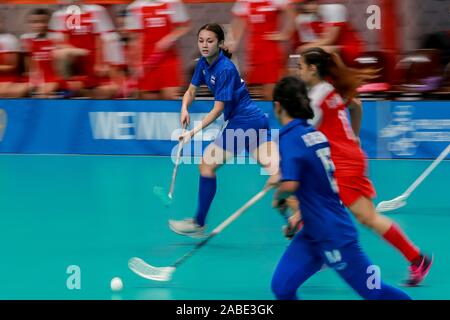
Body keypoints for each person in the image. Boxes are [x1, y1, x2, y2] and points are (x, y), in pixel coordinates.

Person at [294, 47, 432, 286]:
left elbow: (302, 135)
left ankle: (417, 258)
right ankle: (322, 252)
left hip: (343, 164)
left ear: (312, 69)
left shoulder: (316, 99)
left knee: (367, 217)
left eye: (300, 67)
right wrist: (353, 138)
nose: (297, 71)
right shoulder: (329, 89)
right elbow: (356, 106)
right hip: (342, 159)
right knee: (318, 204)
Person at [271, 76, 411, 300]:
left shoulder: (289, 137)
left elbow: (291, 184)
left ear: (278, 106)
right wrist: (299, 214)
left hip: (334, 235)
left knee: (374, 292)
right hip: (312, 232)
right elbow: (319, 185)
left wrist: (279, 195)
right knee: (282, 287)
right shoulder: (314, 134)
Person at [168, 23, 279, 238]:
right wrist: (184, 108)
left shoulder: (225, 68)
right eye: (201, 41)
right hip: (256, 120)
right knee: (278, 172)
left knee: (207, 165)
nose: (205, 45)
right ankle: (301, 226)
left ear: (220, 43)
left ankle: (198, 224)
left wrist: (192, 132)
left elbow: (218, 109)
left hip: (243, 122)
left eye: (210, 41)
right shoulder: (202, 64)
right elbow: (190, 92)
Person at [228, 0, 296, 100]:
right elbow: (238, 22)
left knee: (271, 91)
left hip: (270, 49)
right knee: (249, 90)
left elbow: (292, 14)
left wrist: (285, 34)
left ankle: (277, 114)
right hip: (253, 50)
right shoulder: (244, 2)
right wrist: (233, 42)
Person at [125, 0, 191, 100]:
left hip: (168, 59)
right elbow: (134, 38)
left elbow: (184, 26)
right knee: (148, 99)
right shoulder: (135, 7)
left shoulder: (173, 3)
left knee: (170, 97)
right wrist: (135, 64)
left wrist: (170, 38)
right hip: (146, 62)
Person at [21, 8, 65, 98]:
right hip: (35, 78)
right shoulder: (26, 39)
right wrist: (32, 79)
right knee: (18, 92)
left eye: (43, 21)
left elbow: (61, 66)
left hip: (53, 78)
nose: (39, 25)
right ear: (30, 23)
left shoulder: (57, 38)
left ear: (49, 22)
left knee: (41, 94)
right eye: (35, 22)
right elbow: (29, 64)